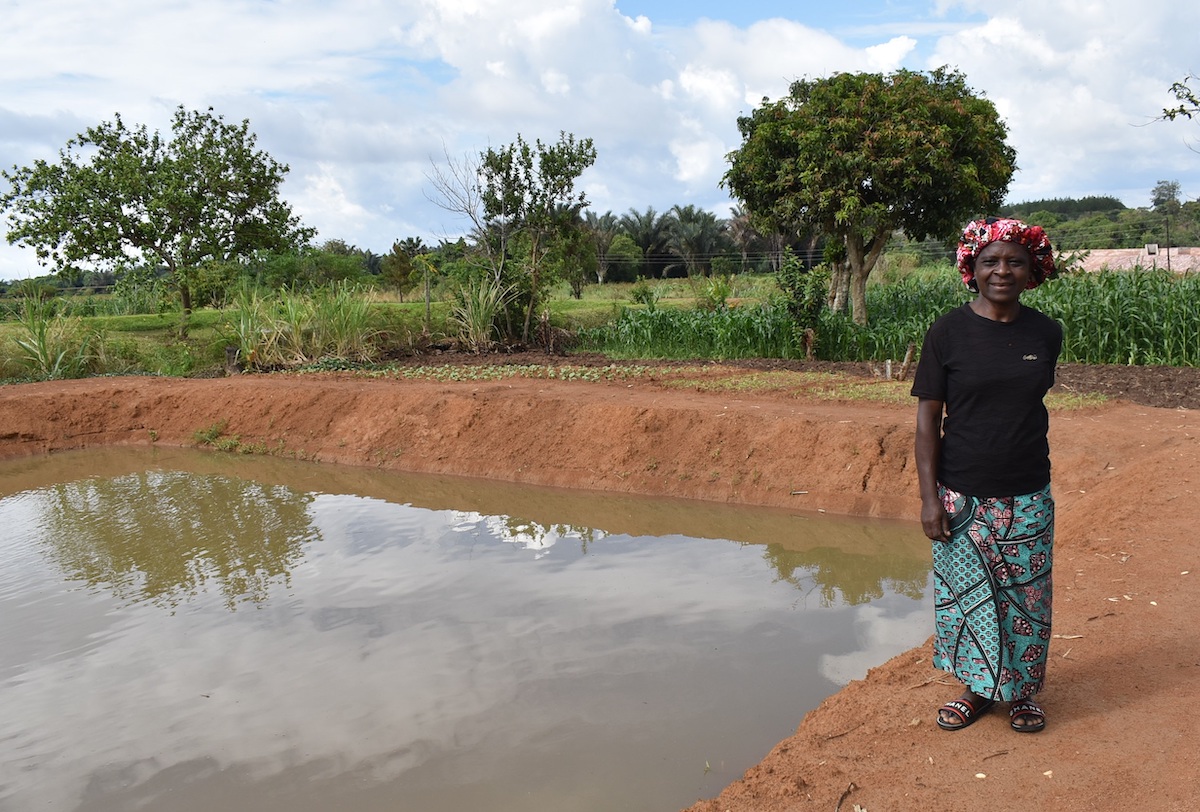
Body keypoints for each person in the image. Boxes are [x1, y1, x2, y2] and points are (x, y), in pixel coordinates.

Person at [910, 217, 1063, 734]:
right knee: (969, 597)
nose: (1002, 271)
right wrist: (930, 499)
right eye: (990, 261)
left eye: (1014, 261)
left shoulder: (1046, 332)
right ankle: (977, 690)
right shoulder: (947, 332)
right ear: (970, 269)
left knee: (1026, 597)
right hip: (962, 494)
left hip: (1027, 492)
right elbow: (928, 419)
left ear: (1032, 269)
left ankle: (1021, 694)